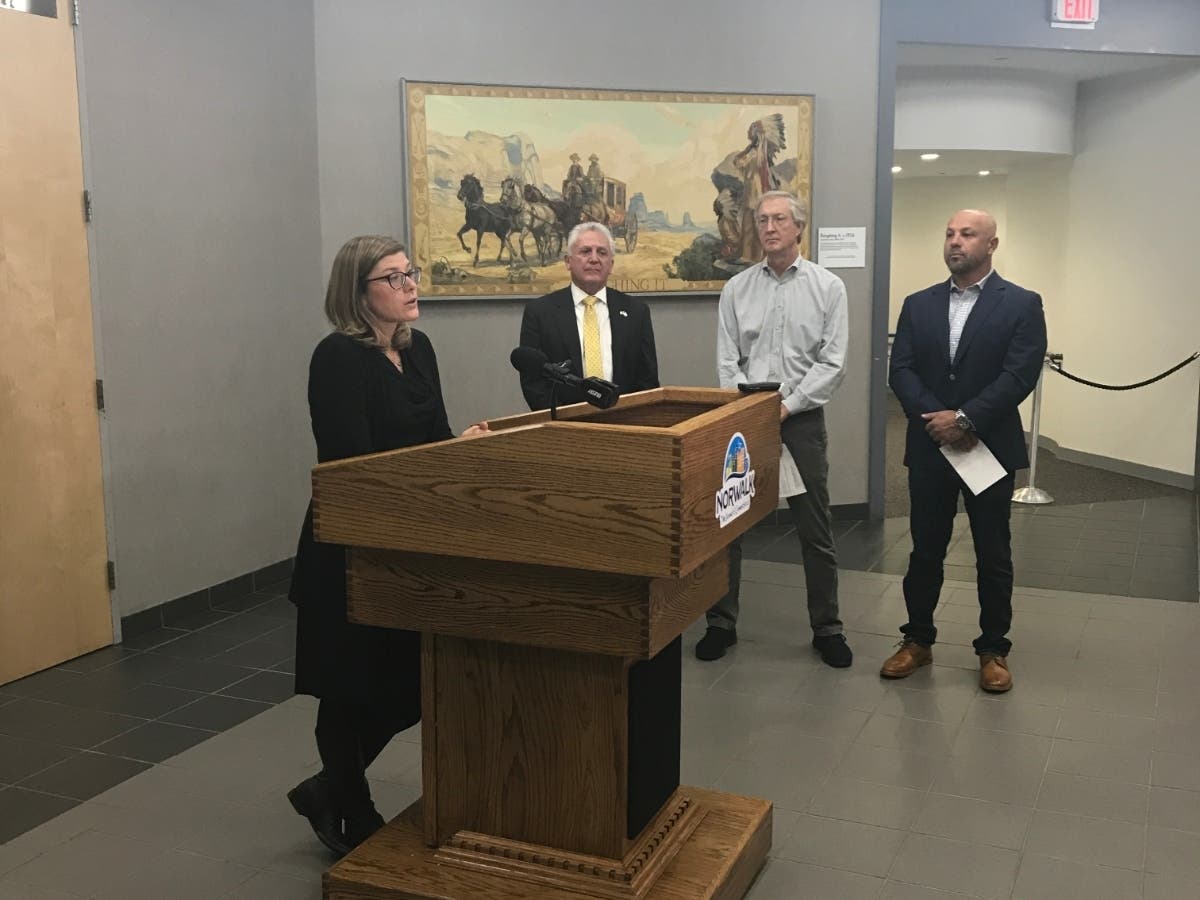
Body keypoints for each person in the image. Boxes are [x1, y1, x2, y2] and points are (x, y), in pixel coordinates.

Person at [286, 235, 488, 856]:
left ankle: (327, 788)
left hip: (408, 545)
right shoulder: (337, 358)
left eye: (412, 274)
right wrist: (435, 462)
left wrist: (462, 447)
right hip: (348, 546)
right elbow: (352, 464)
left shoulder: (418, 348)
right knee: (347, 684)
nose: (410, 287)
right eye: (394, 278)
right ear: (359, 292)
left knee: (408, 687)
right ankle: (351, 806)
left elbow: (433, 436)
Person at [883, 209, 1047, 693]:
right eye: (950, 233)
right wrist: (942, 420)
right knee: (924, 549)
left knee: (993, 552)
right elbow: (903, 371)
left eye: (967, 234)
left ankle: (993, 648)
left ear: (991, 244)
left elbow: (1019, 375)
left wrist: (966, 419)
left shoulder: (1020, 304)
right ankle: (917, 639)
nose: (956, 241)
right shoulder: (918, 304)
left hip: (988, 447)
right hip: (933, 446)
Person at [698, 190, 851, 668]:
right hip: (744, 422)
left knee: (815, 527)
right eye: (762, 219)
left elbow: (833, 361)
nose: (769, 227)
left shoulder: (829, 288)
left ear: (798, 227)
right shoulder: (736, 289)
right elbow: (727, 359)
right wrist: (742, 411)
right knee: (730, 524)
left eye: (779, 219)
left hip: (800, 420)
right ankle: (721, 623)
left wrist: (787, 406)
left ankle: (827, 628)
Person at [518, 222, 658, 410]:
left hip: (626, 425)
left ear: (611, 264)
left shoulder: (636, 311)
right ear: (568, 261)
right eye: (585, 251)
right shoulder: (540, 312)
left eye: (602, 252)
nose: (594, 259)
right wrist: (563, 422)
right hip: (564, 428)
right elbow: (533, 381)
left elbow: (647, 379)